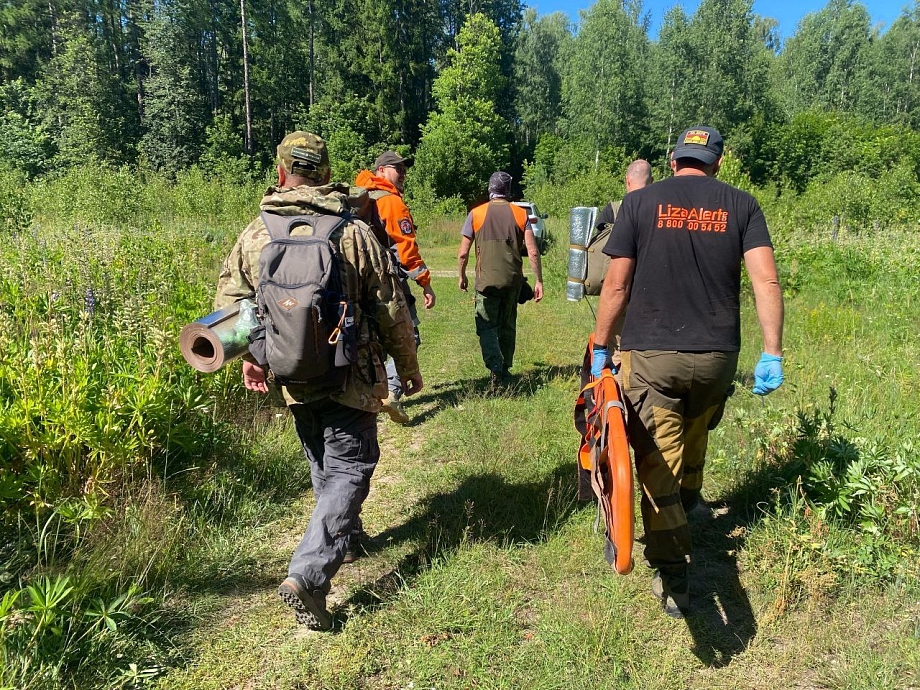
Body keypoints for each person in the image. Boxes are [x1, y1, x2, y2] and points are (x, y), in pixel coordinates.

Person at [213, 131, 422, 630]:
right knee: (353, 464)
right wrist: (407, 366)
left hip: (291, 375)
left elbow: (231, 306)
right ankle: (309, 576)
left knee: (325, 461)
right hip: (350, 370)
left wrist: (250, 358)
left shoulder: (255, 233)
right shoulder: (351, 232)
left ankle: (345, 538)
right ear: (328, 176)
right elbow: (390, 307)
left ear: (282, 173)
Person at [591, 126, 784, 619]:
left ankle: (674, 575)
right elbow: (766, 278)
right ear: (717, 163)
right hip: (719, 356)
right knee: (696, 425)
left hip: (654, 357)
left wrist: (600, 346)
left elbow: (615, 287)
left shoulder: (639, 204)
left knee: (657, 463)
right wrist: (772, 351)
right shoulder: (742, 205)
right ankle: (691, 502)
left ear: (673, 159)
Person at [355, 151, 435, 425]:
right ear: (381, 170)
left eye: (404, 169)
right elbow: (406, 248)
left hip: (358, 284)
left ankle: (367, 398)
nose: (403, 174)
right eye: (398, 169)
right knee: (408, 336)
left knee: (371, 342)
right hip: (389, 283)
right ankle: (391, 391)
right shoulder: (390, 201)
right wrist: (425, 283)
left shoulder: (360, 198)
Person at [457, 171, 543, 385]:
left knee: (486, 327)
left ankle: (495, 367)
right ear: (508, 190)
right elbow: (533, 251)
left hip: (485, 284)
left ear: (490, 189)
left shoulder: (476, 214)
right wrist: (539, 281)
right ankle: (504, 369)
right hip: (512, 283)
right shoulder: (520, 214)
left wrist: (461, 276)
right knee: (507, 326)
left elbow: (462, 252)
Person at [589, 159, 654, 366]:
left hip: (620, 288)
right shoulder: (662, 211)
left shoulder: (614, 210)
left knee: (618, 347)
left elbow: (599, 250)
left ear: (627, 181)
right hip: (653, 293)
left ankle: (619, 394)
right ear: (651, 182)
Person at [593, 159, 654, 234]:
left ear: (627, 180)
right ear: (651, 181)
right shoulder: (659, 212)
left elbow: (599, 242)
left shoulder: (612, 210)